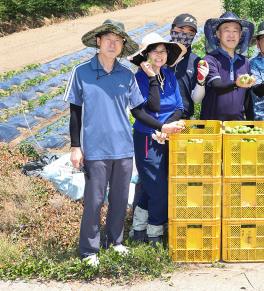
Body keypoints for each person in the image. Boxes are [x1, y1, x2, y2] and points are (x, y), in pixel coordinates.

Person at [64, 19, 184, 266]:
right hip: (95, 148)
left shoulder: (126, 74)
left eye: (118, 40)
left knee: (119, 198)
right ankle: (89, 250)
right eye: (108, 39)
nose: (112, 44)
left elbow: (141, 111)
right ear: (98, 42)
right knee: (95, 201)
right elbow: (75, 112)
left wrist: (162, 126)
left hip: (123, 146)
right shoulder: (81, 71)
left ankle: (115, 242)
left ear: (122, 46)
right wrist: (76, 147)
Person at [129, 33, 186, 247]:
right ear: (146, 55)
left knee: (150, 188)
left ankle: (138, 230)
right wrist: (152, 77)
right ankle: (154, 233)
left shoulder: (170, 76)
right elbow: (149, 108)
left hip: (168, 136)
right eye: (154, 51)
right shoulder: (140, 79)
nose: (159, 55)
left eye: (163, 51)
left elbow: (179, 108)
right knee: (160, 190)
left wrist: (167, 128)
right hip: (146, 138)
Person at [199, 13, 256, 121]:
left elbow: (247, 97)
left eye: (235, 31)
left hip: (237, 127)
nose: (231, 35)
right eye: (226, 30)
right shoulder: (210, 60)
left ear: (240, 35)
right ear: (218, 34)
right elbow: (217, 87)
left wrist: (251, 124)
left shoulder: (245, 62)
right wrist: (236, 84)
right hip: (212, 127)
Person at [165, 13, 208, 120]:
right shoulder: (158, 57)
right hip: (158, 118)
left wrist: (201, 81)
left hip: (183, 121)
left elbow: (196, 99)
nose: (185, 35)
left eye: (190, 32)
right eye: (181, 30)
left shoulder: (195, 61)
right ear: (171, 31)